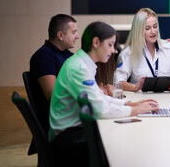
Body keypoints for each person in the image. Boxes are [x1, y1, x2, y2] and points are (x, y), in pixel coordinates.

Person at [49, 21, 158, 166]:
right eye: (110, 44)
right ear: (96, 42)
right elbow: (100, 109)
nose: (113, 51)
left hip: (73, 132)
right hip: (67, 139)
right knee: (119, 145)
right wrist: (135, 110)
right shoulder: (78, 69)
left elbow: (100, 99)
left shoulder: (81, 63)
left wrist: (130, 103)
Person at [29, 14, 79, 137]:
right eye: (74, 32)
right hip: (60, 125)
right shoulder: (44, 56)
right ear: (60, 35)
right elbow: (52, 94)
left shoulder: (67, 55)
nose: (77, 36)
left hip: (69, 117)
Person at [114, 8, 170, 92]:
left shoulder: (168, 48)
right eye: (147, 28)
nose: (153, 31)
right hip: (141, 100)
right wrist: (135, 87)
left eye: (155, 26)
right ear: (138, 31)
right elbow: (118, 82)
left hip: (167, 97)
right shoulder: (128, 53)